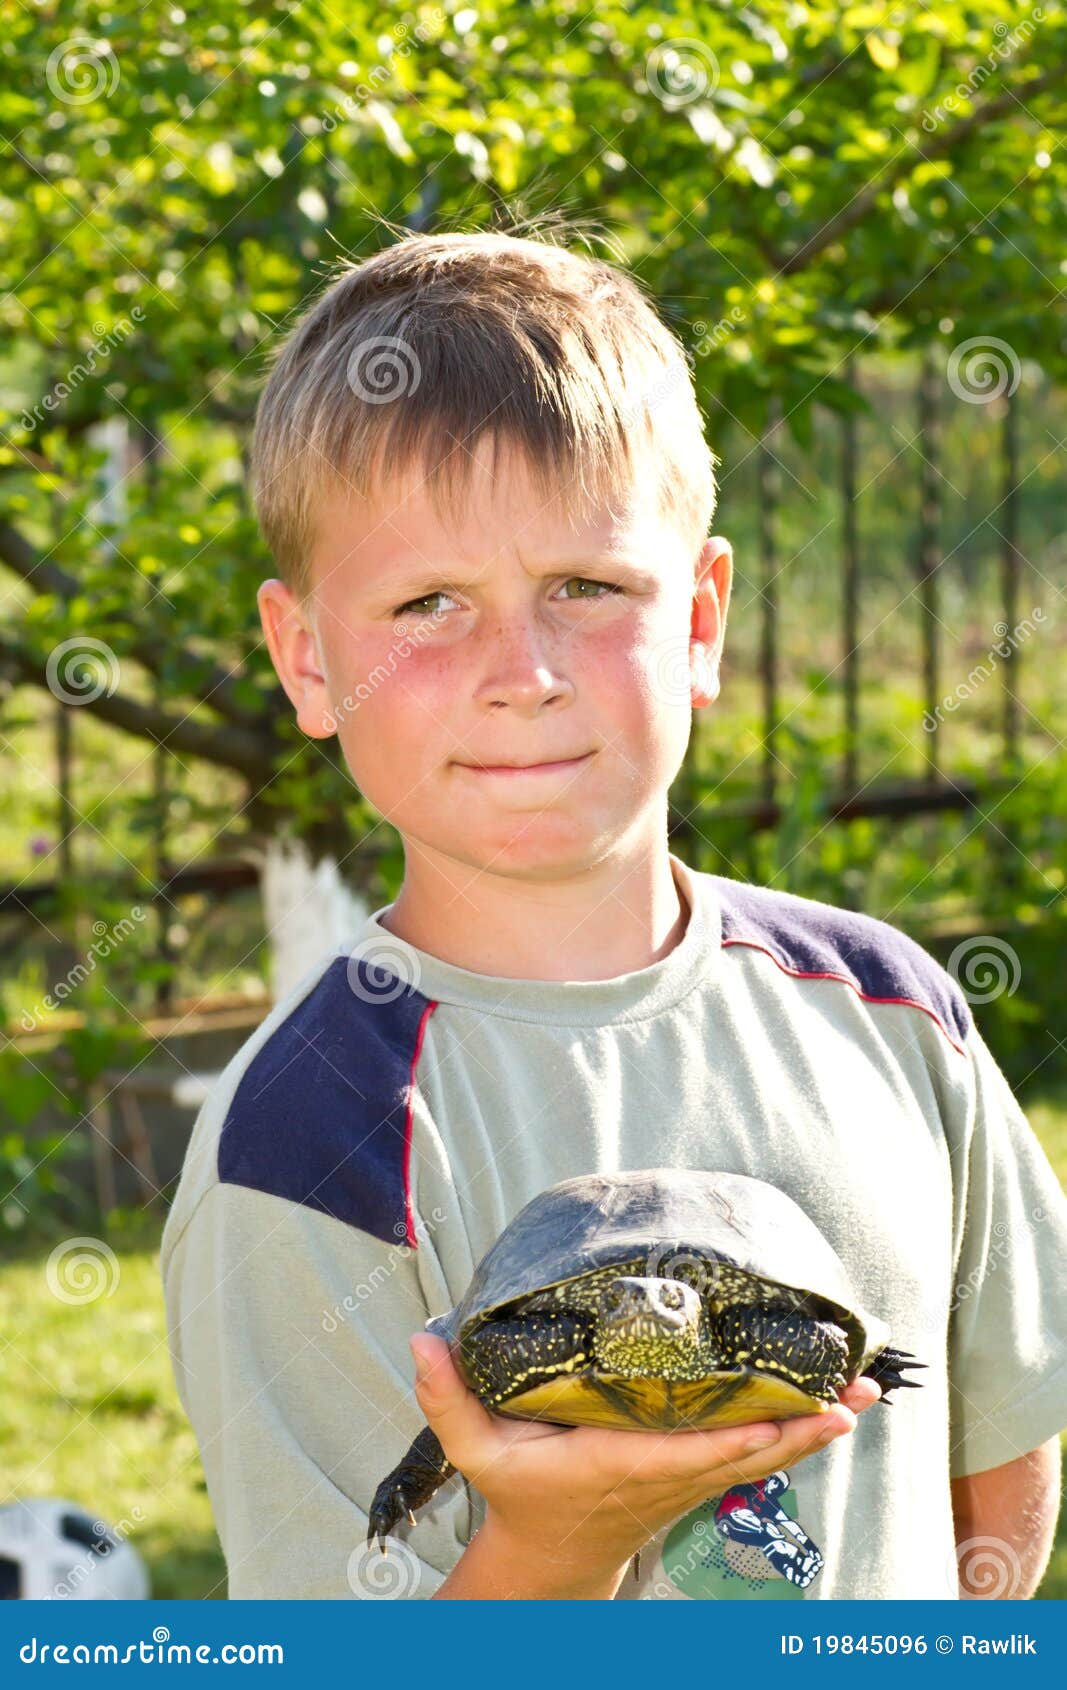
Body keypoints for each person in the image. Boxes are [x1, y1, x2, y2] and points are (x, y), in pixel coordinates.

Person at [160, 226, 1067, 1601]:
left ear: (701, 617)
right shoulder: (306, 1141)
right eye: (428, 604)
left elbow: (996, 1450)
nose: (520, 671)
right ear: (306, 656)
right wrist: (564, 1536)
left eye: (588, 588)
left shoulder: (893, 1011)